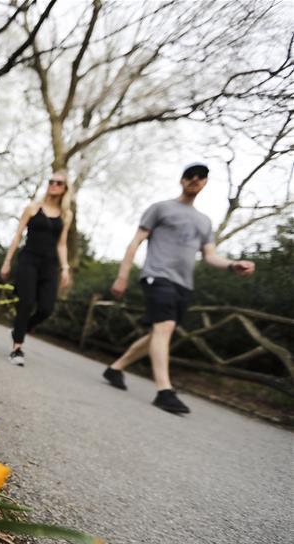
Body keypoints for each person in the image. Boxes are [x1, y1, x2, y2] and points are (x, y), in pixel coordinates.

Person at [102, 161, 255, 414]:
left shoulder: (205, 221)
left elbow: (210, 256)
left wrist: (232, 264)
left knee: (159, 333)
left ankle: (115, 368)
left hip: (184, 284)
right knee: (165, 327)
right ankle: (164, 391)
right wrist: (122, 275)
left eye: (201, 177)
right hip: (157, 276)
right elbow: (135, 242)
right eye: (190, 175)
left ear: (205, 183)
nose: (195, 179)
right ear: (182, 180)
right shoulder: (161, 208)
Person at [0, 170, 73, 366]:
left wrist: (65, 268)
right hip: (29, 260)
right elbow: (17, 235)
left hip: (50, 265)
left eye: (59, 183)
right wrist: (7, 261)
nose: (54, 185)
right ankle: (17, 349)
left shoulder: (66, 215)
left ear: (65, 189)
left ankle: (19, 329)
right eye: (51, 181)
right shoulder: (33, 208)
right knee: (26, 301)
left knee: (46, 308)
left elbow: (62, 244)